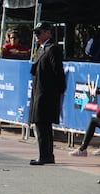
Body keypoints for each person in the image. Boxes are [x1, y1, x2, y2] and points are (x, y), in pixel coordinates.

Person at [29, 23, 66, 165]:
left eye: (39, 33)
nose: (37, 36)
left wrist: (59, 90)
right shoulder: (41, 49)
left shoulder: (53, 49)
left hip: (47, 93)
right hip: (39, 90)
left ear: (48, 33)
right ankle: (45, 154)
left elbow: (58, 72)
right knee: (40, 123)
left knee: (42, 123)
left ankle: (45, 155)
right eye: (36, 33)